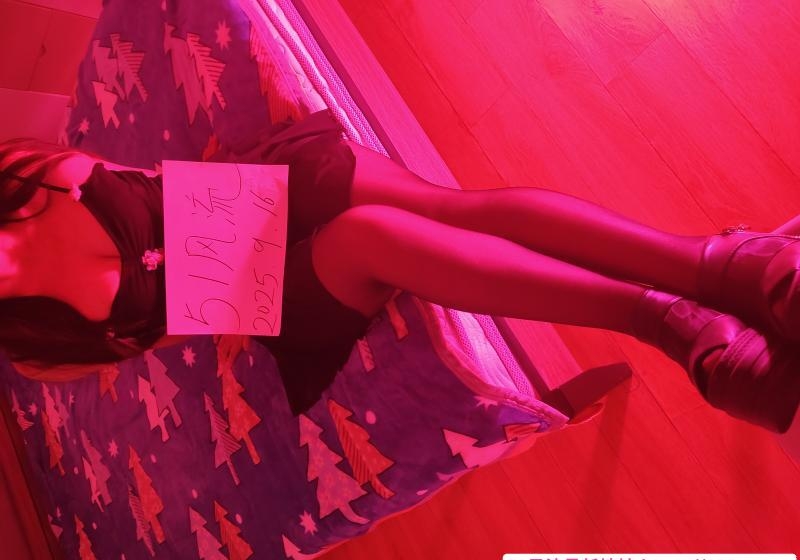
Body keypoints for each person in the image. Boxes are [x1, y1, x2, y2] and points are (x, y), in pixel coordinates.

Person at [1, 111, 799, 433]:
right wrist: (223, 281)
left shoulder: (24, 173)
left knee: (453, 209)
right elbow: (166, 331)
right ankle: (664, 317)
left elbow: (149, 185)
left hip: (232, 203)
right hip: (247, 292)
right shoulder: (35, 348)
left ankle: (714, 266)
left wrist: (240, 207)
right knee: (370, 236)